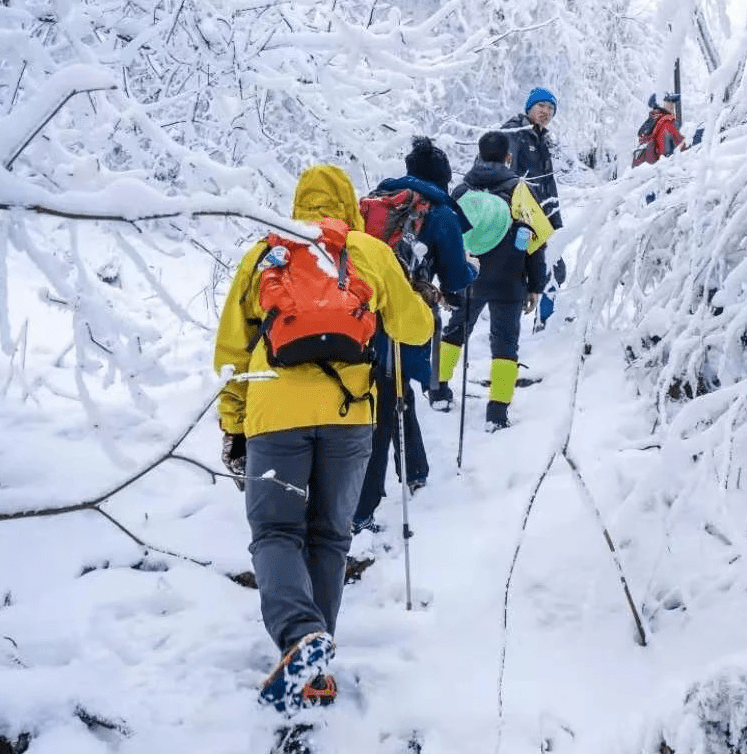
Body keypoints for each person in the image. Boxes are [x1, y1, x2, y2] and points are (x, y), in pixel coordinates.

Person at [214, 164, 432, 712]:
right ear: (348, 206)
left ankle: (300, 638)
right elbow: (417, 329)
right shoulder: (367, 251)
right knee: (330, 536)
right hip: (349, 415)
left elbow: (233, 354)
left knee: (275, 532)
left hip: (275, 413)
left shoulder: (267, 252)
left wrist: (233, 425)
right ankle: (314, 659)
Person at [351, 137, 478, 534]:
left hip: (359, 315)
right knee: (386, 403)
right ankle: (361, 510)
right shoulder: (440, 213)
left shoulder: (374, 200)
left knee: (390, 391)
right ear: (442, 178)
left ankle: (415, 469)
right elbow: (456, 276)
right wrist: (471, 269)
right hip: (402, 317)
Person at [429, 130, 548, 431]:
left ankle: (438, 391)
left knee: (455, 333)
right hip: (509, 279)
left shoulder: (460, 190)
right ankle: (496, 413)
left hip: (470, 276)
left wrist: (445, 282)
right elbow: (535, 242)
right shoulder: (519, 190)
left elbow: (446, 237)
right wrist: (536, 286)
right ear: (508, 157)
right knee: (506, 344)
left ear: (479, 155)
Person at [501, 86, 564, 328]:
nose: (545, 111)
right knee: (523, 272)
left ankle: (544, 321)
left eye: (550, 108)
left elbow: (547, 182)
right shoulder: (514, 133)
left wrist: (555, 220)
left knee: (553, 267)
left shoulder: (541, 139)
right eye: (541, 106)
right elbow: (503, 175)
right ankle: (512, 324)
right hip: (519, 218)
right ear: (529, 107)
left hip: (540, 217)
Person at [632, 92, 687, 166]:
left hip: (650, 168)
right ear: (660, 104)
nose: (672, 105)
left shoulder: (654, 120)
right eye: (668, 101)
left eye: (673, 102)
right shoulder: (667, 121)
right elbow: (678, 143)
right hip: (665, 167)